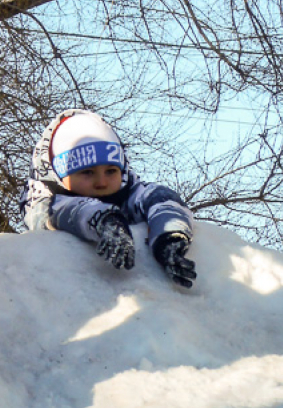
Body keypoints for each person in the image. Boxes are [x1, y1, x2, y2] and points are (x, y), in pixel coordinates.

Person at [20, 109, 197, 287]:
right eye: (87, 172)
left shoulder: (131, 193)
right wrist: (105, 221)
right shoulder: (49, 206)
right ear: (59, 175)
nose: (101, 182)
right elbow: (74, 211)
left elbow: (163, 200)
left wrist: (169, 238)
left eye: (111, 171)